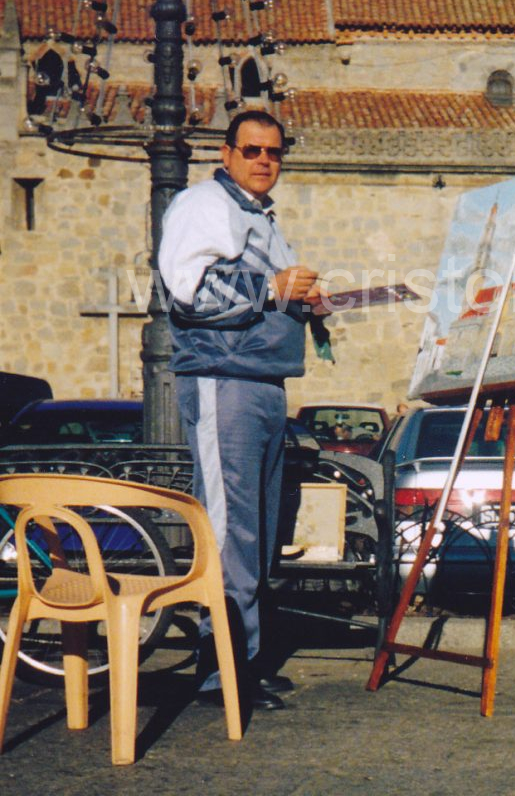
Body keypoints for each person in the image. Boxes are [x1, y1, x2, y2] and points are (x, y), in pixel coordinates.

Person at [159, 110, 322, 711]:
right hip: (223, 383)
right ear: (225, 153)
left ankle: (243, 657)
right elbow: (186, 290)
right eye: (251, 149)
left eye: (274, 152)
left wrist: (308, 306)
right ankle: (219, 674)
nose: (263, 160)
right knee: (230, 533)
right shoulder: (204, 204)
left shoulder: (260, 217)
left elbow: (264, 296)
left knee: (258, 534)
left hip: (262, 385)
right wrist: (273, 290)